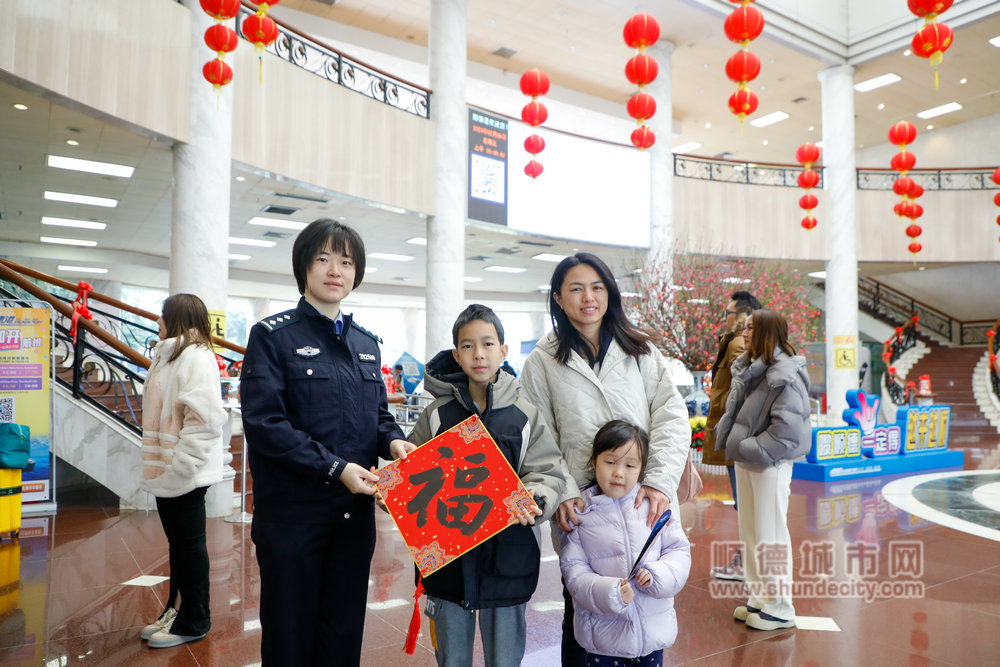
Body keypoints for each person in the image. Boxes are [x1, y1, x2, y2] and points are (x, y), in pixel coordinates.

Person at [240, 218, 416, 666]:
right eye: (323, 259)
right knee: (290, 636)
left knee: (342, 635)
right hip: (293, 519)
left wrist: (395, 442)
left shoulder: (366, 344)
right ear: (304, 267)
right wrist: (335, 468)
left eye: (346, 261)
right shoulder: (272, 336)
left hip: (352, 522)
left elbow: (376, 414)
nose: (335, 269)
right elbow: (265, 424)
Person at [519, 252, 690, 666]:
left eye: (597, 287)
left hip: (641, 500)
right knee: (585, 603)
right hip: (582, 509)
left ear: (610, 293)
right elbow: (534, 432)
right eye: (575, 289)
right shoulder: (543, 359)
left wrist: (659, 482)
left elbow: (671, 416)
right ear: (558, 298)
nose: (587, 298)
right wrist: (563, 492)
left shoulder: (641, 350)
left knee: (648, 596)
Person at [409, 304, 570, 667]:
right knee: (452, 657)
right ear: (456, 354)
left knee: (505, 658)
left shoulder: (524, 414)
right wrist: (393, 493)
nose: (478, 354)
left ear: (503, 351)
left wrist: (537, 497)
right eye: (467, 346)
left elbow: (547, 470)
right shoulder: (436, 415)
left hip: (509, 555)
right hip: (448, 562)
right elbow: (412, 470)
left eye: (487, 344)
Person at [560, 420, 691, 667]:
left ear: (641, 468)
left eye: (630, 465)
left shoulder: (656, 507)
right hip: (603, 640)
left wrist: (656, 575)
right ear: (594, 461)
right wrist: (611, 592)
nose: (619, 472)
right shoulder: (582, 512)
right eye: (610, 462)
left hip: (652, 638)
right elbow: (574, 571)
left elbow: (679, 551)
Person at [714, 309, 811, 631]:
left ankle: (781, 607)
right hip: (748, 461)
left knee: (771, 535)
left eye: (751, 327)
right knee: (752, 534)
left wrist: (750, 448)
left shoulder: (785, 373)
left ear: (768, 332)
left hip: (770, 463)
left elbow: (789, 432)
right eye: (744, 326)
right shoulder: (750, 368)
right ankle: (760, 596)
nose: (744, 332)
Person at [139, 293, 227, 648]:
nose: (157, 321)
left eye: (162, 315)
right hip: (166, 471)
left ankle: (195, 619)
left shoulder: (196, 357)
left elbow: (206, 420)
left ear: (175, 318)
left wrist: (183, 465)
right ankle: (176, 609)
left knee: (190, 545)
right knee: (178, 545)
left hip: (184, 472)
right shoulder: (168, 354)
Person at [704, 291, 762, 581]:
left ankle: (748, 563)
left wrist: (720, 403)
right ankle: (750, 562)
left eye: (728, 313)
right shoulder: (736, 342)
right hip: (737, 432)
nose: (724, 318)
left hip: (737, 433)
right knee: (747, 504)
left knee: (746, 504)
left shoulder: (739, 343)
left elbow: (745, 389)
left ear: (743, 315)